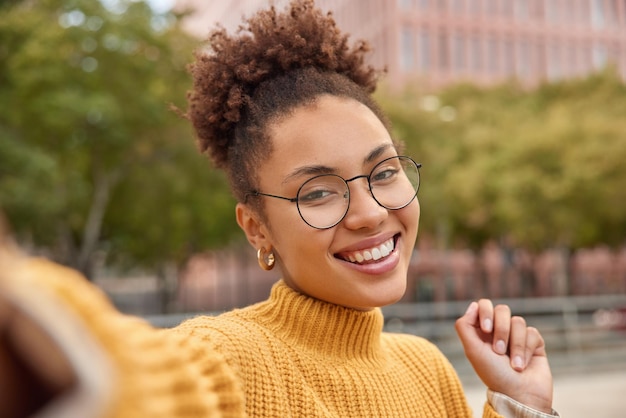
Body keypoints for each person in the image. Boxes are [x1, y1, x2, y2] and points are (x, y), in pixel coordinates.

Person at [0, 0, 557, 416]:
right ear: (256, 227)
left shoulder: (426, 367)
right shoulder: (229, 357)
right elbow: (143, 380)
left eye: (384, 172)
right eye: (317, 192)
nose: (367, 212)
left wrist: (519, 404)